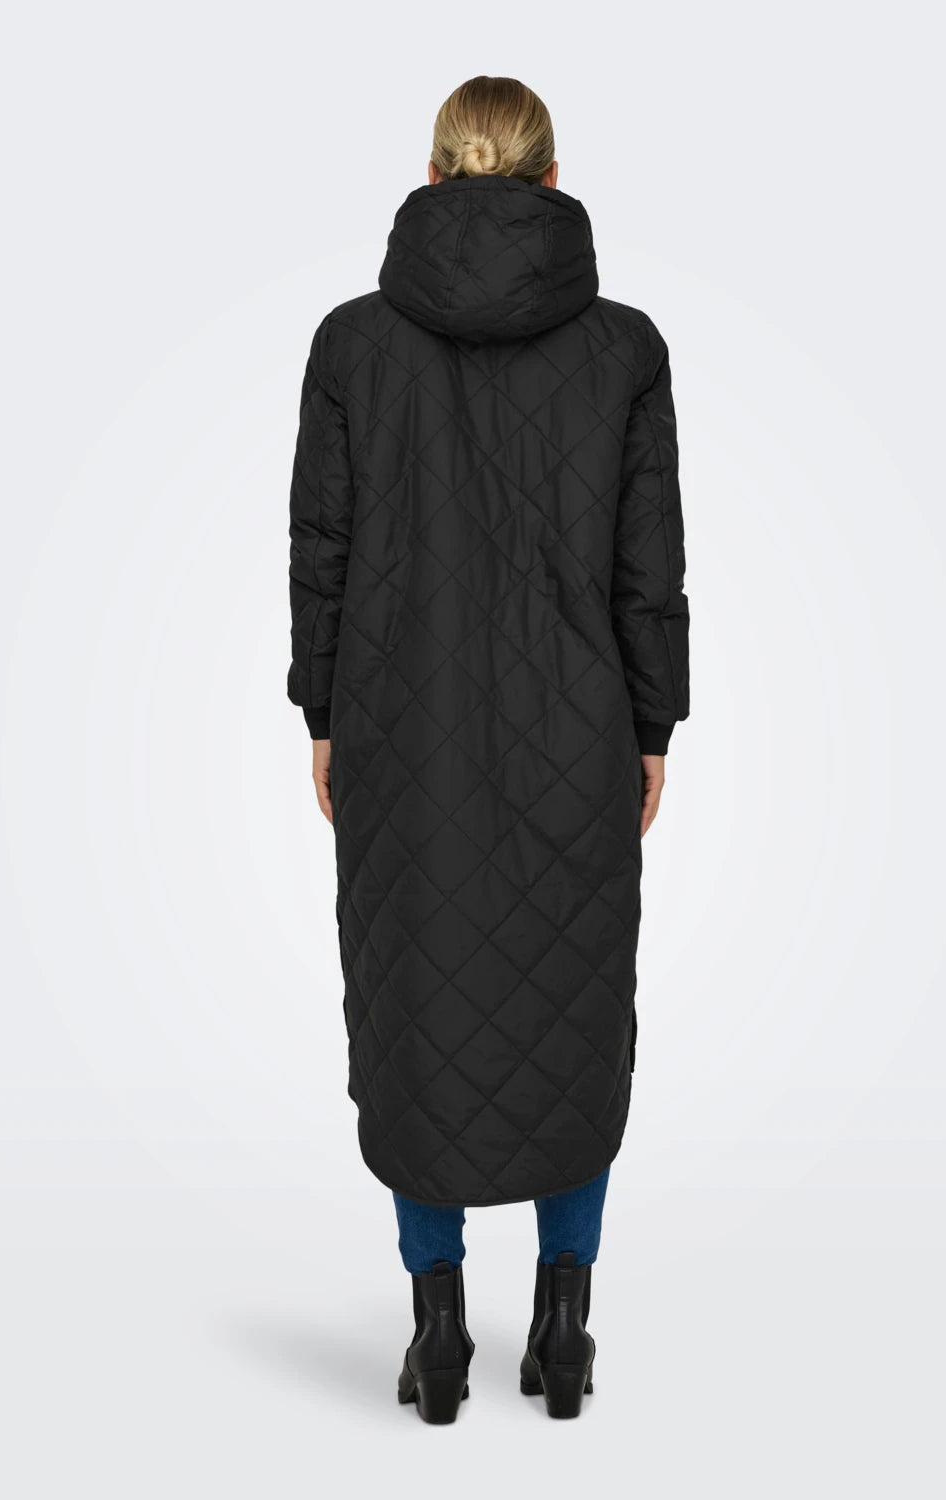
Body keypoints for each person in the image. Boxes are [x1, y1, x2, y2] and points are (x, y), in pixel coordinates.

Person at [287, 75, 689, 1423]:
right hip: (578, 731)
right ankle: (565, 1327)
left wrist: (323, 713)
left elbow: (323, 550)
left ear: (432, 175)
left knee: (422, 1015)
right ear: (553, 182)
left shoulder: (352, 344)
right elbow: (647, 569)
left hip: (403, 735)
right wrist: (650, 726)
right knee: (569, 1015)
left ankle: (439, 1329)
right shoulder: (625, 349)